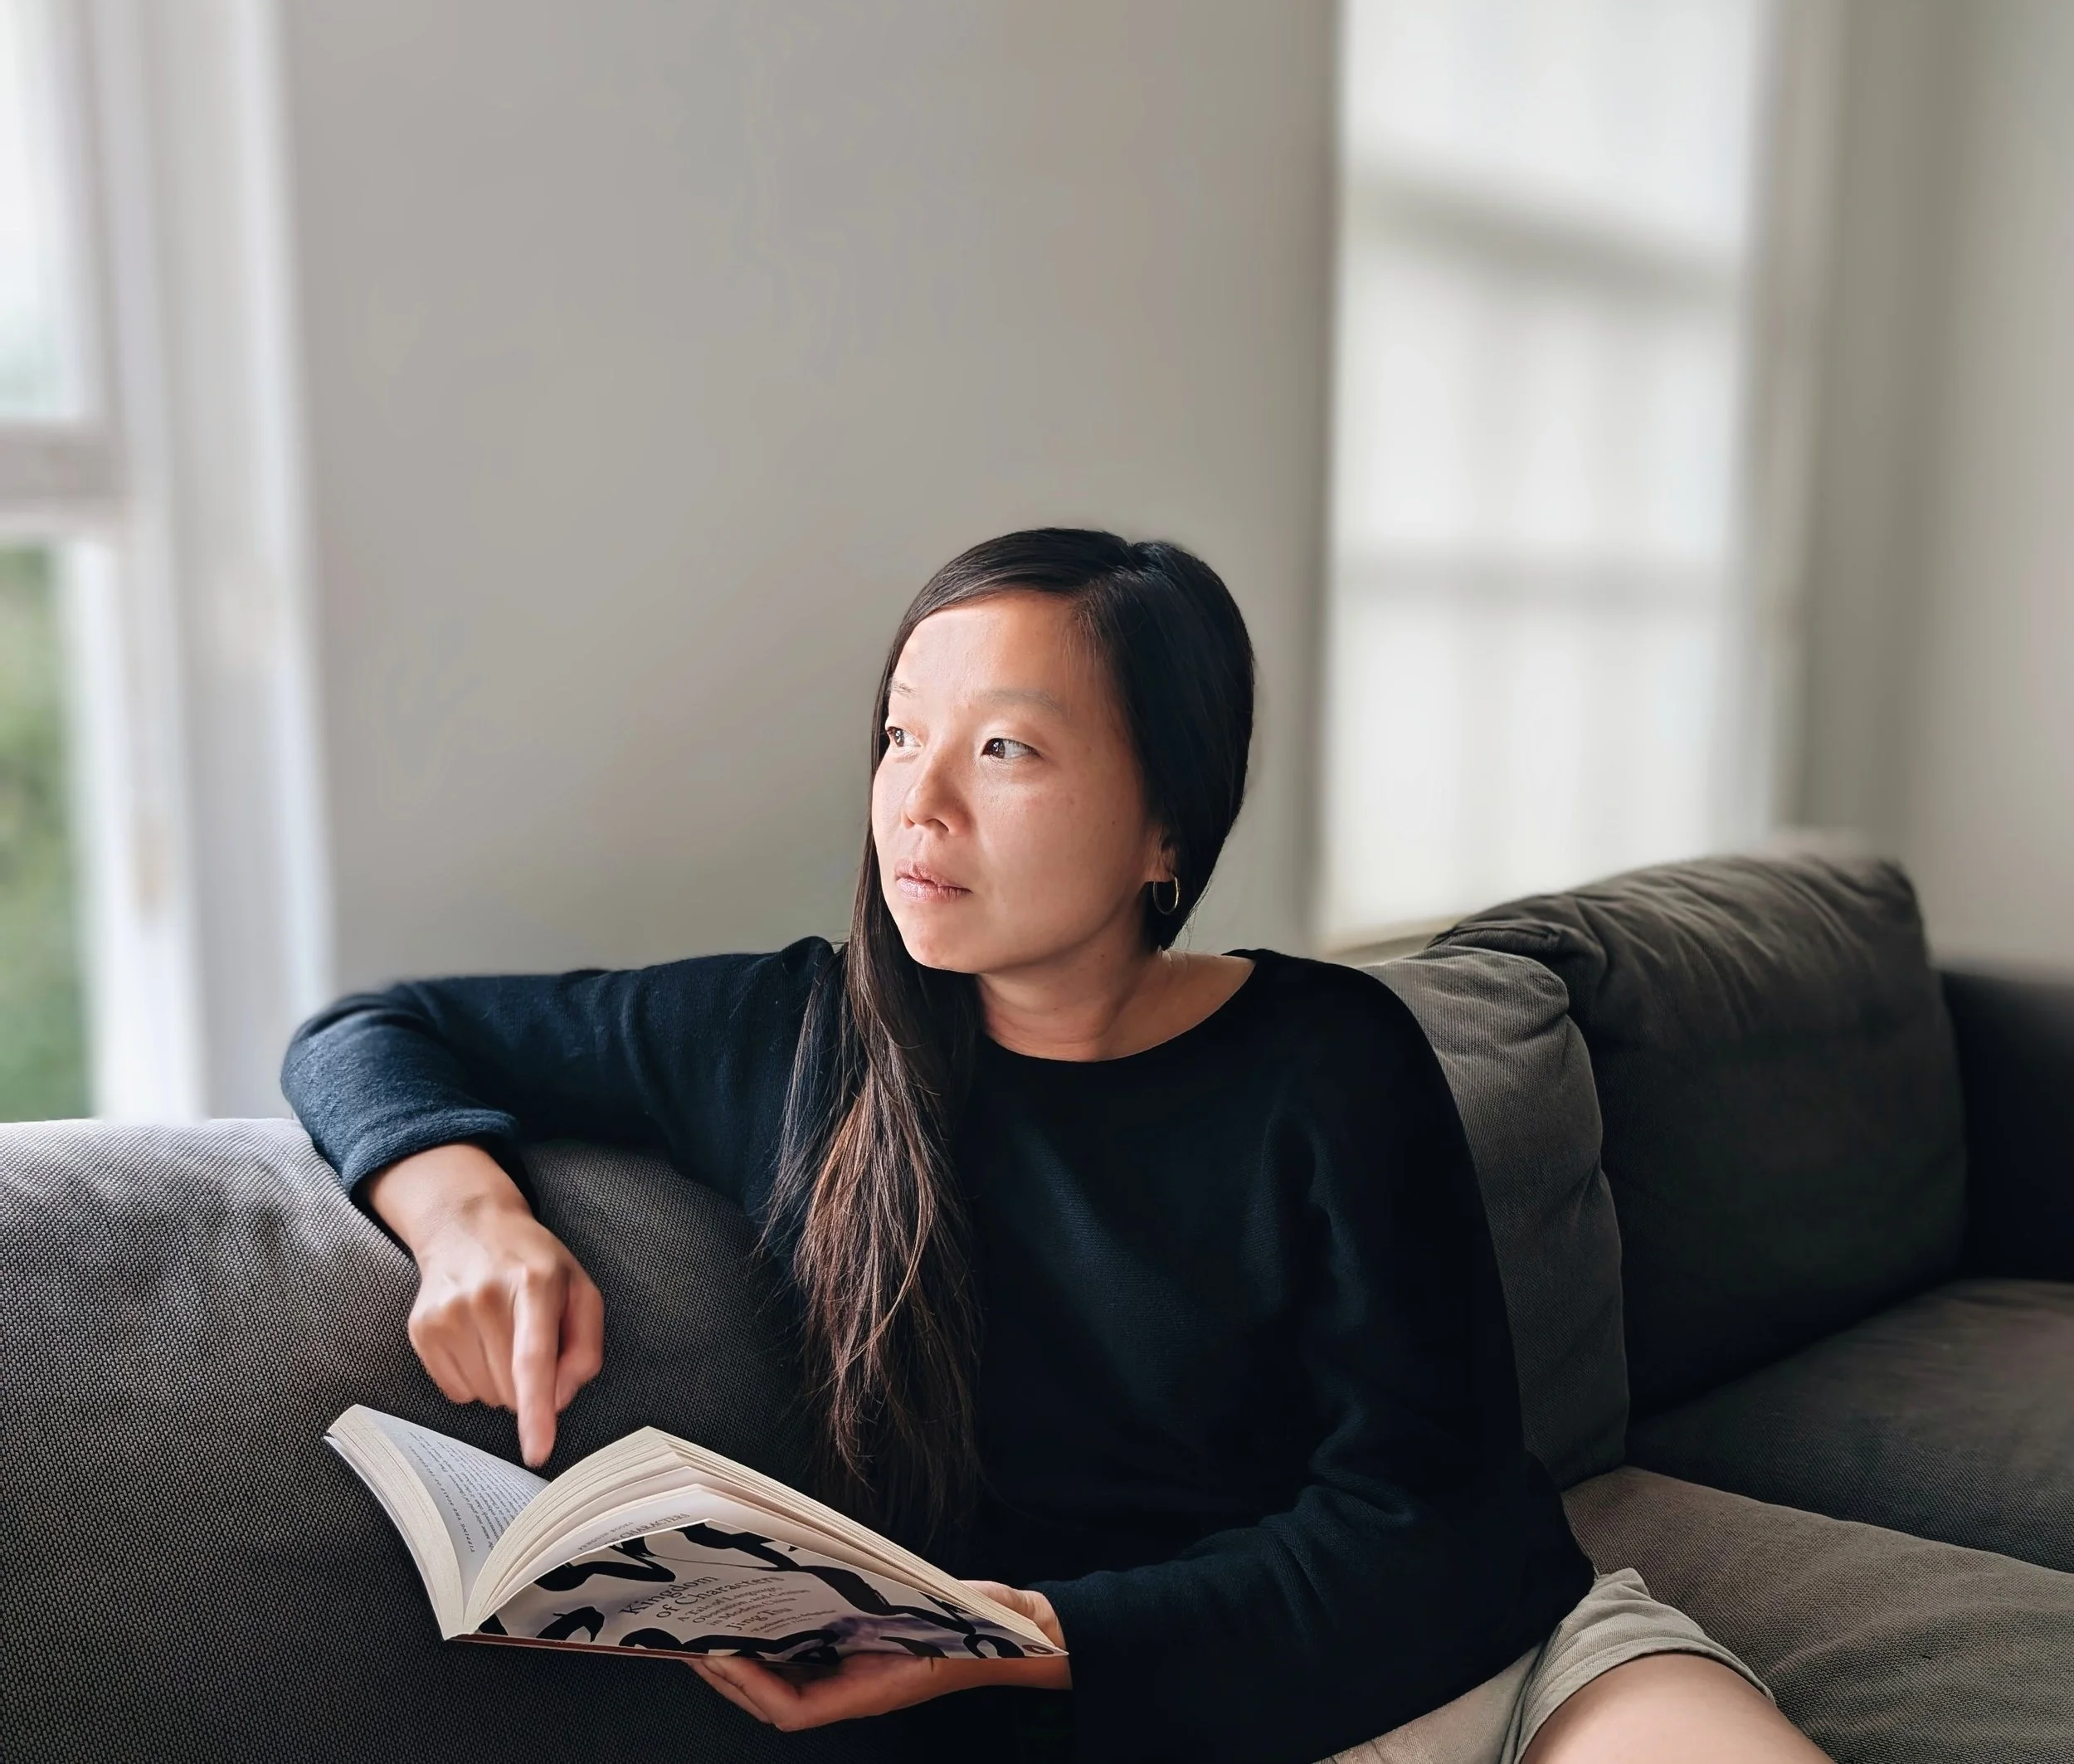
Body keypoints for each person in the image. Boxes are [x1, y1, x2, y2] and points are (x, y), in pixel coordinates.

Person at [283, 529, 1826, 1764]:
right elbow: (375, 1028)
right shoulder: (798, 1038)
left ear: (1169, 828)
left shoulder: (1332, 1059)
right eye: (901, 735)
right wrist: (468, 1210)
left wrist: (1019, 1633)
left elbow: (1421, 1525)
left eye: (1004, 749)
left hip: (1499, 1663)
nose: (918, 801)